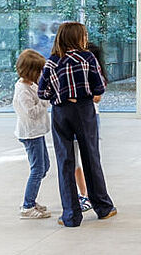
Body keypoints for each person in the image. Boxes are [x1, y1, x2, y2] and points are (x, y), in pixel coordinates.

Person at [37, 22, 117, 227]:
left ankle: (71, 215)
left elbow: (42, 92)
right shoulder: (88, 58)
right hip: (84, 110)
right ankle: (103, 208)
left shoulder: (52, 61)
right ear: (78, 38)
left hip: (61, 112)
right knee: (91, 157)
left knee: (65, 161)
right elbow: (100, 86)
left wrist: (61, 95)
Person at [13, 49, 52, 220]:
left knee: (44, 167)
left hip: (37, 132)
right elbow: (32, 113)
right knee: (37, 169)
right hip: (30, 134)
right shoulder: (23, 90)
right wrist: (44, 100)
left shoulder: (31, 85)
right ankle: (27, 205)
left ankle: (31, 199)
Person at [72, 43, 106, 213]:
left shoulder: (96, 74)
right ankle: (82, 194)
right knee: (74, 160)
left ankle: (91, 196)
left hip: (90, 117)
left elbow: (97, 97)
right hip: (72, 117)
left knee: (91, 159)